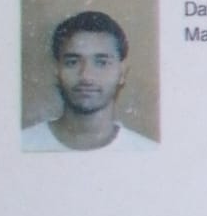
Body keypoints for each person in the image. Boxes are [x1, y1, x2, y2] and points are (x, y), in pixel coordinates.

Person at [22, 10, 158, 151]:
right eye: (72, 62)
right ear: (56, 71)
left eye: (101, 63)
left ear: (122, 73)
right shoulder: (24, 145)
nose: (86, 76)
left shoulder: (147, 153)